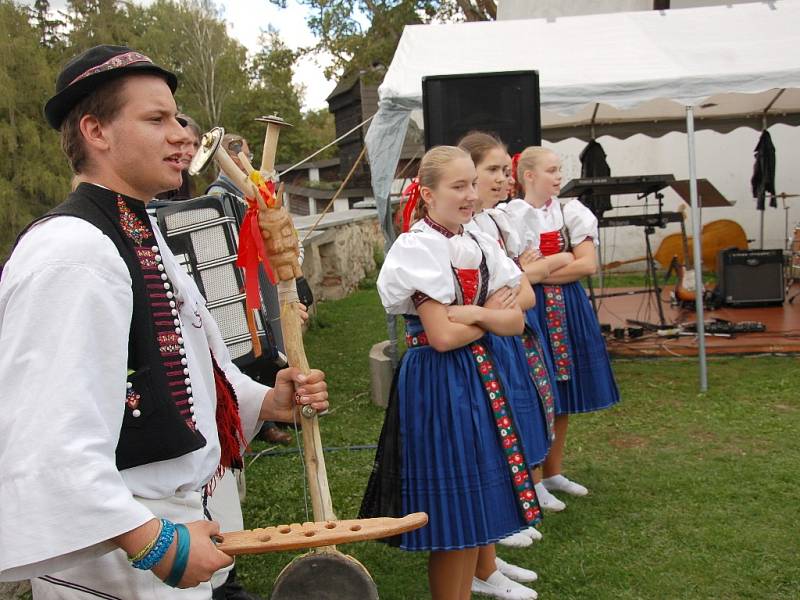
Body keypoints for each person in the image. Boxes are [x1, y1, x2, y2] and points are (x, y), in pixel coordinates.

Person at [0, 45, 328, 598]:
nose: (183, 134)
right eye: (157, 119)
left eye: (178, 117)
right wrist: (156, 543)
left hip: (190, 529)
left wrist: (264, 401)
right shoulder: (72, 251)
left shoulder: (137, 230)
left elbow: (191, 373)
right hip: (126, 560)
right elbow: (48, 435)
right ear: (96, 132)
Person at [360, 146, 544, 600]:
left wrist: (470, 313)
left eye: (471, 185)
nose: (470, 195)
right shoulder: (418, 246)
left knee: (475, 497)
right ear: (427, 193)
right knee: (453, 507)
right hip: (440, 383)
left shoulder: (478, 241)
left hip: (478, 376)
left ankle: (476, 580)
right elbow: (441, 336)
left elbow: (517, 319)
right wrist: (486, 316)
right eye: (458, 186)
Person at [505, 146, 620, 511]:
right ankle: (533, 479)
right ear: (529, 176)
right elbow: (515, 272)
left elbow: (587, 265)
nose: (558, 176)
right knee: (537, 392)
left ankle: (553, 471)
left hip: (566, 310)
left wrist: (540, 271)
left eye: (559, 170)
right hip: (532, 310)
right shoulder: (511, 216)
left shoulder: (572, 211)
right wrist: (563, 258)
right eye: (552, 170)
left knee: (562, 390)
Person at [206, 132, 293, 447]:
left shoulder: (253, 188)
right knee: (248, 351)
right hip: (238, 283)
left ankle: (274, 408)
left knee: (271, 346)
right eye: (244, 152)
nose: (250, 158)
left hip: (261, 275)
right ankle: (263, 421)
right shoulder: (218, 196)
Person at [156, 113, 202, 201]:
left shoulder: (184, 178)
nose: (192, 153)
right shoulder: (153, 184)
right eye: (184, 143)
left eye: (195, 145)